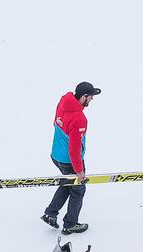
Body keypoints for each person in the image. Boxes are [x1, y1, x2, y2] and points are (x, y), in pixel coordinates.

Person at [41, 82, 101, 235]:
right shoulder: (79, 119)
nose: (92, 100)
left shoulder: (62, 103)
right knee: (78, 190)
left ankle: (50, 213)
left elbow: (55, 121)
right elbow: (74, 149)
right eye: (91, 97)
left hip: (56, 155)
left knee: (68, 184)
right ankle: (70, 224)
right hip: (70, 160)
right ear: (83, 97)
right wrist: (80, 171)